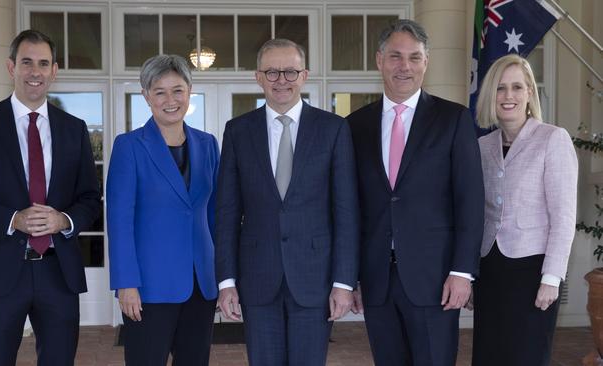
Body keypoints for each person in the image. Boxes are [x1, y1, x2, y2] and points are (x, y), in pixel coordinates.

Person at [0, 30, 101, 365]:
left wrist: (64, 219)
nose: (35, 71)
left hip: (57, 273)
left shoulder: (74, 129)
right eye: (27, 62)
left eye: (43, 63)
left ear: (54, 71)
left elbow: (90, 198)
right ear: (11, 67)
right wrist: (12, 220)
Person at [346, 19, 484, 366]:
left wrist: (462, 272)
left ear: (426, 62)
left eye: (414, 57)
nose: (404, 66)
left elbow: (470, 201)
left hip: (435, 278)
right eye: (395, 56)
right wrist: (350, 277)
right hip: (376, 279)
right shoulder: (354, 125)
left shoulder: (454, 120)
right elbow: (350, 208)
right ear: (379, 60)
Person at [216, 38, 359, 366]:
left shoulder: (333, 129)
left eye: (290, 72)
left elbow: (346, 212)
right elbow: (226, 212)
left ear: (304, 75)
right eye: (272, 72)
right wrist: (226, 282)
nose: (282, 80)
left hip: (315, 280)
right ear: (258, 77)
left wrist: (343, 282)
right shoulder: (238, 131)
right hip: (256, 280)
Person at [107, 54, 219, 366]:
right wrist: (125, 283)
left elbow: (214, 216)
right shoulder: (129, 146)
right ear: (146, 96)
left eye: (178, 90)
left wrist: (223, 278)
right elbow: (119, 221)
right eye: (159, 92)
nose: (170, 100)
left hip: (201, 283)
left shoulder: (208, 144)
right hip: (149, 286)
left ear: (190, 91)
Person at [472, 54, 578, 366]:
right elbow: (477, 214)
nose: (508, 96)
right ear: (491, 94)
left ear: (530, 92)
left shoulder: (553, 139)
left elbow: (564, 217)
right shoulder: (481, 146)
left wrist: (552, 277)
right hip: (490, 269)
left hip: (532, 273)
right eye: (501, 88)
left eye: (517, 87)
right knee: (489, 355)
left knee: (526, 356)